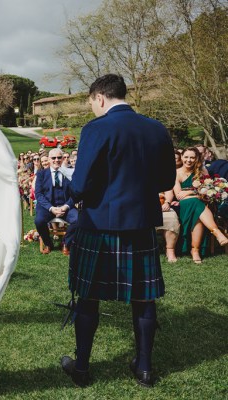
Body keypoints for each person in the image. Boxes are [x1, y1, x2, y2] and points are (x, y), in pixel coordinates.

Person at [61, 74, 176, 388]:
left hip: (100, 226)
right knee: (144, 299)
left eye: (91, 103)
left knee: (88, 298)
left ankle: (81, 368)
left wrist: (70, 198)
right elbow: (167, 182)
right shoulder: (156, 129)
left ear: (99, 97)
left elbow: (80, 185)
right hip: (140, 226)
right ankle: (144, 369)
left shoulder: (97, 128)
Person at [174, 147, 228, 263]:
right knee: (196, 203)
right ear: (182, 157)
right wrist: (197, 193)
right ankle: (215, 233)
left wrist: (189, 192)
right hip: (183, 205)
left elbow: (208, 191)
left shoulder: (202, 171)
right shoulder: (176, 173)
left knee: (197, 210)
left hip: (198, 203)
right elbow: (179, 195)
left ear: (196, 158)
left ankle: (195, 250)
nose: (189, 160)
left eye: (192, 157)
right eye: (186, 157)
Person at [34, 148, 77, 255]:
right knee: (39, 221)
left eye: (59, 157)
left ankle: (66, 243)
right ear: (48, 159)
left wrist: (66, 206)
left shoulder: (70, 173)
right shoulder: (41, 174)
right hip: (47, 208)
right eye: (53, 158)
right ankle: (48, 243)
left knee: (78, 220)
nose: (56, 160)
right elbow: (38, 195)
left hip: (65, 206)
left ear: (63, 159)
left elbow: (76, 194)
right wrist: (51, 208)